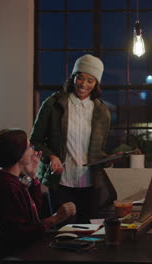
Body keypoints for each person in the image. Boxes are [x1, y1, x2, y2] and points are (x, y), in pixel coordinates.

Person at [30, 54, 117, 224]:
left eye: (90, 80)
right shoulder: (52, 104)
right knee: (63, 233)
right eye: (80, 78)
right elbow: (35, 141)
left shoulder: (102, 111)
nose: (84, 84)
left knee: (89, 233)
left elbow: (98, 150)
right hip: (61, 182)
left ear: (96, 84)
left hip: (90, 184)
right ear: (73, 77)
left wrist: (107, 159)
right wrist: (52, 157)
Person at [0, 129, 76, 257]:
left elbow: (34, 214)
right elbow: (21, 233)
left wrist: (34, 178)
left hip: (27, 249)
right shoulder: (7, 186)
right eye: (29, 147)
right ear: (18, 153)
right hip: (18, 254)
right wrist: (55, 219)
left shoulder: (13, 179)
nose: (33, 150)